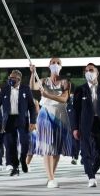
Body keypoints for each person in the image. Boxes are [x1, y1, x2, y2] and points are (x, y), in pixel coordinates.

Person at [30, 57, 73, 188]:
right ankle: (51, 178)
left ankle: (51, 176)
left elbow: (64, 99)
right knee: (47, 146)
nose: (55, 64)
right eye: (53, 63)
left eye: (58, 63)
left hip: (60, 115)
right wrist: (33, 73)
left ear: (61, 66)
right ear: (49, 66)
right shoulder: (43, 81)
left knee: (56, 149)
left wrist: (47, 95)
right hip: (46, 114)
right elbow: (32, 86)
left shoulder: (65, 82)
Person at [0, 69, 37, 177]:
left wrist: (33, 121)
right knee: (10, 145)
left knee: (25, 142)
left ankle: (23, 159)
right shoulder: (5, 89)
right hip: (9, 120)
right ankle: (15, 167)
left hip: (22, 119)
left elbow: (32, 107)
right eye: (9, 78)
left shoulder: (25, 89)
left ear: (19, 79)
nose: (10, 79)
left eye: (12, 78)